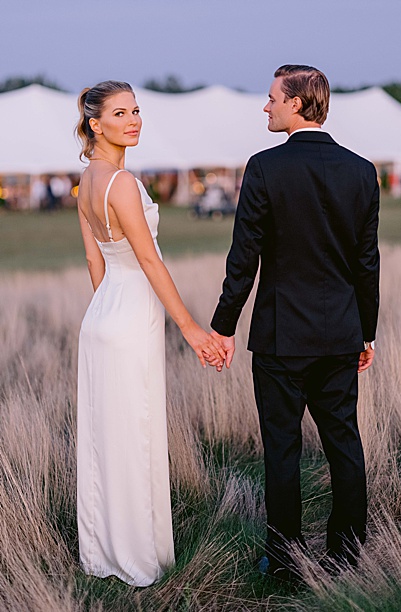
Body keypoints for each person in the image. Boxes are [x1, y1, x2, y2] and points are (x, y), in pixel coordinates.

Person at [209, 65, 379, 580]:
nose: (265, 107)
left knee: (282, 452)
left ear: (298, 104)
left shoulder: (263, 168)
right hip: (340, 335)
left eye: (271, 99)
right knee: (344, 445)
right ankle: (347, 556)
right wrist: (366, 331)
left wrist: (223, 325)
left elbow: (244, 259)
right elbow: (366, 262)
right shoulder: (361, 170)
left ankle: (283, 562)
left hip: (281, 340)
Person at [74, 80, 227, 587]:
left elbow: (96, 262)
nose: (134, 120)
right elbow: (147, 259)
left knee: (106, 439)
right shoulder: (122, 184)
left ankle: (104, 554)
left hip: (101, 317)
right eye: (121, 113)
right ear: (97, 124)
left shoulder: (88, 181)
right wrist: (190, 328)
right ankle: (138, 557)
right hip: (129, 317)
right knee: (134, 435)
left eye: (137, 110)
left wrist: (109, 309)